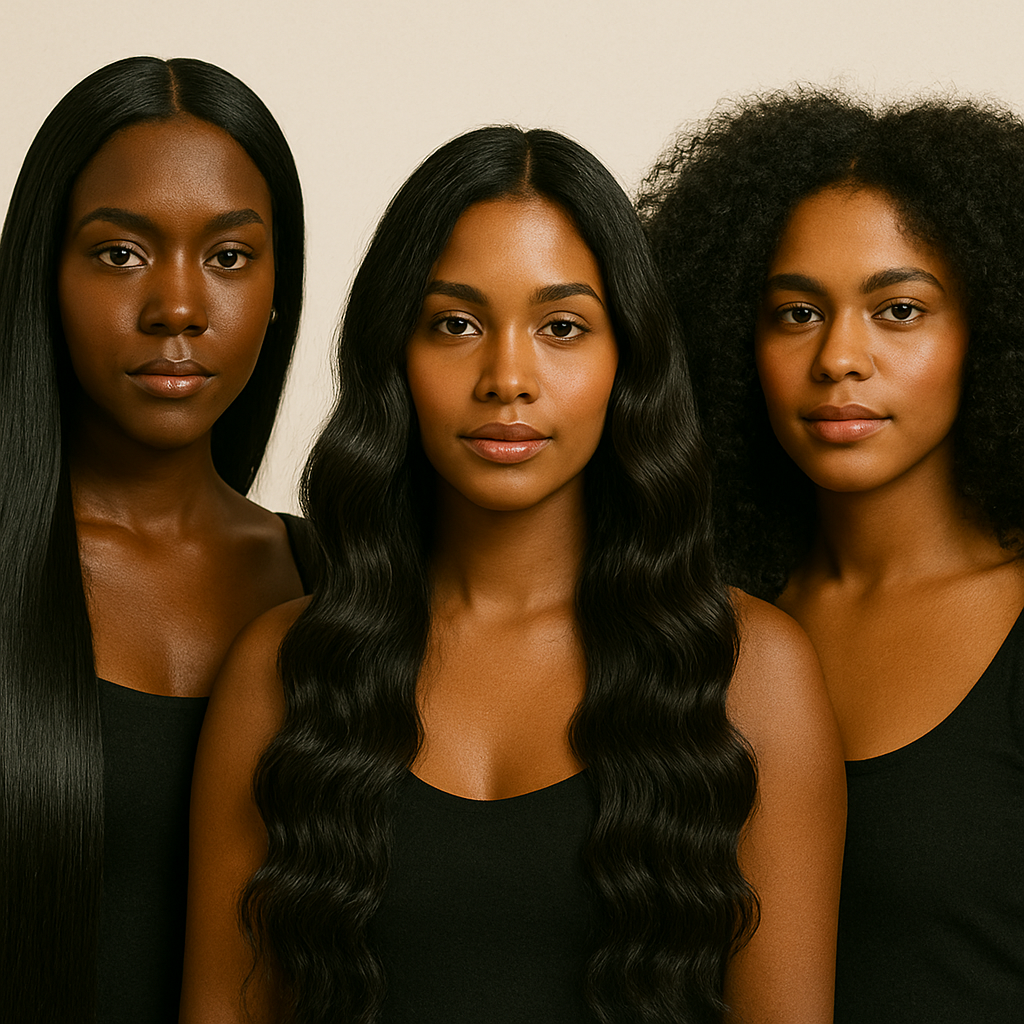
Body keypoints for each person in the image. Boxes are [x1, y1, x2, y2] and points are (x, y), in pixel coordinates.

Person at [181, 125, 844, 1024]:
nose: (507, 377)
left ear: (627, 360)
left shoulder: (755, 673)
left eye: (561, 327)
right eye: (455, 325)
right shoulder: (280, 670)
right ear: (395, 354)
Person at [640, 90, 1024, 1022]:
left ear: (990, 330)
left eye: (899, 310)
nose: (839, 358)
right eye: (797, 312)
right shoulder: (693, 620)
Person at [0, 56, 313, 1023]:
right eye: (121, 254)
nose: (177, 307)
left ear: (278, 289)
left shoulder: (345, 583)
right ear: (45, 276)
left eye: (229, 257)